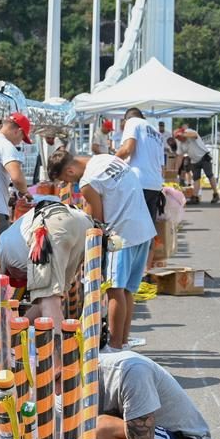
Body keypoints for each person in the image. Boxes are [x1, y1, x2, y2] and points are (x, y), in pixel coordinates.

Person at [47, 150, 155, 351]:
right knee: (127, 291)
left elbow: (97, 220)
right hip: (143, 228)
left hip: (121, 236)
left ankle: (113, 347)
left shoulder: (88, 182)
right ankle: (122, 342)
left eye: (66, 180)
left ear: (70, 170)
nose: (71, 184)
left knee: (114, 289)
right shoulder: (107, 158)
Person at [0, 197, 94, 324]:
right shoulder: (12, 244)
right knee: (47, 299)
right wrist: (17, 334)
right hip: (83, 222)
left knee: (48, 300)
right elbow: (40, 306)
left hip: (51, 226)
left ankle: (57, 344)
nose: (24, 278)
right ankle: (25, 338)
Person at [115, 107, 166, 227]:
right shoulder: (156, 132)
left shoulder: (132, 122)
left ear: (126, 119)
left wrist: (110, 162)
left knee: (133, 229)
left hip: (138, 182)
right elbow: (162, 165)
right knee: (148, 229)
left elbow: (128, 149)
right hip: (155, 185)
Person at [175, 128, 220, 204]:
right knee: (196, 178)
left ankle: (216, 194)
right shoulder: (180, 143)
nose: (179, 139)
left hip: (204, 157)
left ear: (183, 134)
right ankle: (195, 196)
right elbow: (180, 156)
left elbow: (195, 135)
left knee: (209, 175)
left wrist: (184, 134)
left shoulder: (190, 133)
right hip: (194, 161)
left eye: (179, 137)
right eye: (177, 138)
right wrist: (176, 170)